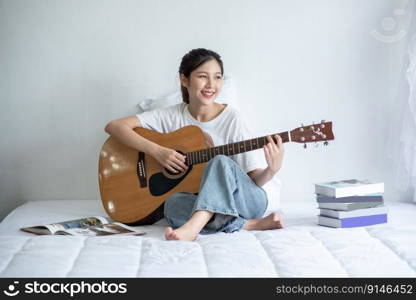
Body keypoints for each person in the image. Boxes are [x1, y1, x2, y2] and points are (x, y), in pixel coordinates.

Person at [104, 48, 285, 241]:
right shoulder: (170, 115)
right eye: (202, 76)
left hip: (245, 201)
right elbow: (115, 126)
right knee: (172, 205)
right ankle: (250, 225)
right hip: (211, 204)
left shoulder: (232, 119)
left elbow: (253, 180)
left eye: (217, 77)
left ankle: (193, 227)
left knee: (220, 161)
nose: (211, 85)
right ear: (184, 80)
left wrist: (271, 170)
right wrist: (157, 151)